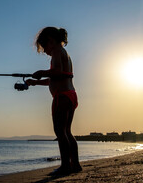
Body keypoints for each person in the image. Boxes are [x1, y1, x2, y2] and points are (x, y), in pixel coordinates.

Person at [26, 27, 82, 176]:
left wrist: (41, 72)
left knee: (60, 131)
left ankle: (65, 166)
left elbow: (55, 71)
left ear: (50, 40)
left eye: (44, 47)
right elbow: (56, 77)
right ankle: (75, 165)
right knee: (67, 132)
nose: (44, 51)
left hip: (62, 97)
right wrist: (35, 82)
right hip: (70, 95)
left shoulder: (57, 50)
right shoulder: (64, 53)